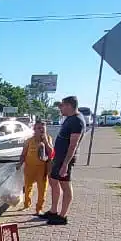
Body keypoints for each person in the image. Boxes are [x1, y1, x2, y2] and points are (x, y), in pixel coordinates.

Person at [43, 96, 85, 225]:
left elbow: (73, 145)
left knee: (65, 185)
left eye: (62, 106)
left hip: (65, 159)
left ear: (69, 106)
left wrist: (65, 164)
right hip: (59, 157)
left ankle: (62, 216)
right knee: (53, 181)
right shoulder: (69, 119)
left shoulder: (77, 121)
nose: (60, 109)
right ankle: (53, 210)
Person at [16, 120, 53, 215]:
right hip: (29, 168)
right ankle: (26, 205)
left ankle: (39, 208)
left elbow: (51, 153)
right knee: (28, 186)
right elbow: (23, 154)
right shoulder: (29, 141)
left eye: (43, 128)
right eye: (39, 128)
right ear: (34, 129)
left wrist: (46, 142)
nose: (41, 130)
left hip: (42, 169)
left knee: (42, 189)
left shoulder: (48, 139)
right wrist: (20, 163)